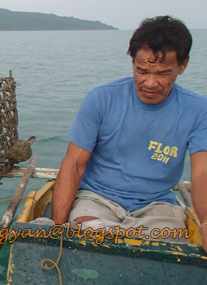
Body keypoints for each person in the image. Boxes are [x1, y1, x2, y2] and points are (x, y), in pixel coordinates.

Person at [50, 15, 207, 251]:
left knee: (165, 253)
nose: (150, 83)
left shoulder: (198, 110)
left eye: (163, 73)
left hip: (157, 206)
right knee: (91, 241)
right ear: (132, 61)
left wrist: (205, 221)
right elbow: (74, 165)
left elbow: (202, 173)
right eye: (142, 70)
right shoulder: (101, 98)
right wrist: (56, 230)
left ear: (182, 65)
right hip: (98, 200)